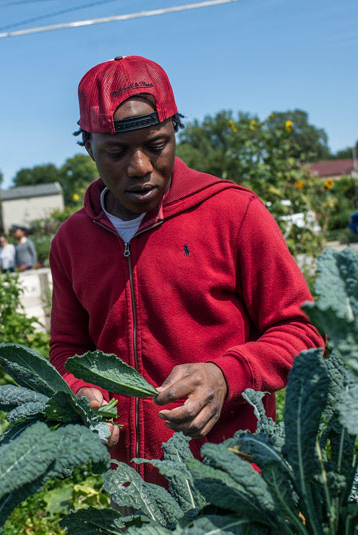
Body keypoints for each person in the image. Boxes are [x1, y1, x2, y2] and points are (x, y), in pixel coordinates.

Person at [49, 56, 323, 487]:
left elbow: (304, 332)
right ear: (88, 145)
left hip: (234, 490)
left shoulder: (234, 213)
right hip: (135, 497)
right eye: (116, 152)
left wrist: (226, 375)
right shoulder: (71, 242)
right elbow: (68, 348)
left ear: (175, 130)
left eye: (156, 144)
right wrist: (81, 391)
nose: (139, 167)